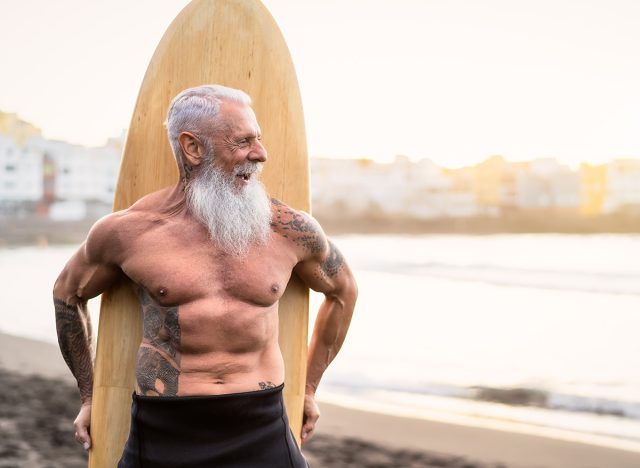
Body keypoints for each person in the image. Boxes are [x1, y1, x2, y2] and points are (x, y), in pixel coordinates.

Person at [53, 84, 357, 467]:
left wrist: (309, 389)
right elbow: (68, 295)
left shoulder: (288, 229)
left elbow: (344, 290)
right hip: (165, 427)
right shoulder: (128, 233)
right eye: (243, 141)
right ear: (192, 148)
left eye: (258, 139)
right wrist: (89, 396)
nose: (260, 154)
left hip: (261, 422)